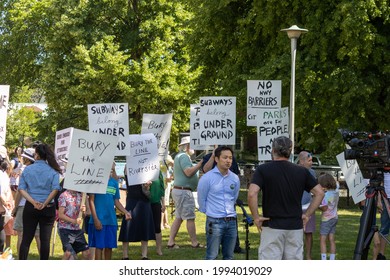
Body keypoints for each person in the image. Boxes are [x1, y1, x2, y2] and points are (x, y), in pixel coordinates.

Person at [247, 136, 324, 260]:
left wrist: (256, 217)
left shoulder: (263, 169)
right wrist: (308, 214)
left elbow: (252, 194)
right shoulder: (302, 171)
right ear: (290, 150)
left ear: (273, 150)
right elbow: (319, 193)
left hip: (271, 225)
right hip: (295, 226)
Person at [18, 143, 62, 260]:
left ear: (36, 155)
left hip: (31, 207)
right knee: (45, 240)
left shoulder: (28, 169)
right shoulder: (53, 170)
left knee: (26, 239)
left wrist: (33, 202)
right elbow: (55, 189)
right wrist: (46, 202)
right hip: (48, 207)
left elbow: (21, 188)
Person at [198, 146, 240, 260]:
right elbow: (201, 198)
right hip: (214, 221)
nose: (228, 161)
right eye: (225, 157)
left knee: (229, 256)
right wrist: (211, 212)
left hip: (231, 221)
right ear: (216, 159)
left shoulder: (235, 178)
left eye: (230, 158)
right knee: (212, 256)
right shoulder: (207, 178)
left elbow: (234, 197)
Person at [167, 136, 204, 249]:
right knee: (190, 217)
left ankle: (170, 242)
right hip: (183, 191)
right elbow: (188, 172)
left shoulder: (181, 156)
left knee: (179, 217)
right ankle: (194, 242)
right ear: (187, 146)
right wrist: (200, 164)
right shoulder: (184, 157)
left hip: (180, 190)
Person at [88, 164, 131, 260]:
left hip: (111, 221)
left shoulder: (114, 183)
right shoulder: (95, 181)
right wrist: (95, 219)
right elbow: (91, 200)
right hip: (99, 220)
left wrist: (125, 212)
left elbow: (116, 201)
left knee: (109, 247)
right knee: (99, 247)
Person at [118, 164, 155, 260]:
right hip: (132, 200)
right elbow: (126, 171)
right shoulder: (129, 166)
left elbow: (147, 191)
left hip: (144, 201)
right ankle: (125, 256)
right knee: (127, 227)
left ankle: (144, 255)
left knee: (145, 226)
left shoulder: (146, 169)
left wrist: (147, 186)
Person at [11, 148, 41, 257]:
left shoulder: (25, 171)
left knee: (21, 235)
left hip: (24, 206)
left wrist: (15, 207)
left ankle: (21, 259)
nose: (22, 159)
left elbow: (20, 190)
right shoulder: (41, 171)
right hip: (38, 205)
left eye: (24, 158)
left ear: (28, 160)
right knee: (38, 236)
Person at [57, 187, 90, 260]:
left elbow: (84, 215)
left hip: (76, 230)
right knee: (69, 255)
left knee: (87, 253)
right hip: (65, 229)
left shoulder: (80, 196)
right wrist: (73, 221)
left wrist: (83, 211)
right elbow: (60, 215)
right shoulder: (64, 195)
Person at [298, 151, 317, 260]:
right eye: (309, 160)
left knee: (308, 233)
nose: (311, 163)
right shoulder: (295, 172)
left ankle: (308, 256)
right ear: (302, 161)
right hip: (296, 207)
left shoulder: (313, 173)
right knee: (297, 233)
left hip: (309, 207)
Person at [318, 173, 339, 260]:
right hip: (334, 218)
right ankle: (332, 259)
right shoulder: (335, 192)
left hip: (326, 219)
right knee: (331, 239)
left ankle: (323, 259)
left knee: (322, 240)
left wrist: (318, 206)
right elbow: (337, 184)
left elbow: (324, 208)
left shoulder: (325, 196)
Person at [150, 171, 166, 256]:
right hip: (144, 202)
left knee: (157, 227)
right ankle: (144, 251)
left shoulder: (158, 172)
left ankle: (159, 249)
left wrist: (163, 203)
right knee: (144, 227)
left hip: (156, 202)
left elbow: (161, 188)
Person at [161, 155, 174, 230]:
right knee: (164, 203)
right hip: (160, 182)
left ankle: (162, 224)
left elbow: (175, 164)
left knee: (163, 204)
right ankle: (165, 223)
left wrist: (171, 177)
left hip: (164, 183)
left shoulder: (166, 156)